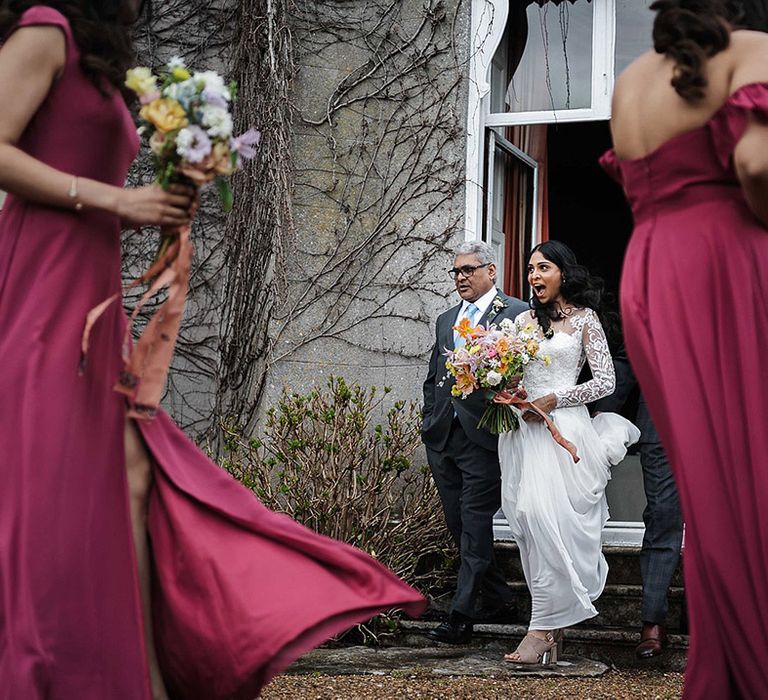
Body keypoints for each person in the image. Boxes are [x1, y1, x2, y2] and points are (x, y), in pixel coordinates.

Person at [0, 3, 425, 698]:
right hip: (41, 294)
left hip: (92, 297)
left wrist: (170, 193)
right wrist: (119, 200)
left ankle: (143, 676)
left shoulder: (106, 63)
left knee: (134, 479)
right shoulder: (46, 28)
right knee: (58, 489)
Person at [600, 0, 768, 695]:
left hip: (653, 272)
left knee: (712, 483)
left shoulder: (633, 78)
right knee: (752, 468)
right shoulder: (754, 48)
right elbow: (757, 167)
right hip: (723, 261)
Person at [494, 241, 640, 664]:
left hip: (565, 430)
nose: (534, 276)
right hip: (524, 433)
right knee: (526, 520)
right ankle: (551, 629)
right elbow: (513, 372)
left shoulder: (584, 321)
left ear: (563, 273)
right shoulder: (521, 321)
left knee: (546, 518)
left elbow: (606, 382)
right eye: (529, 269)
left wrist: (555, 400)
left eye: (543, 268)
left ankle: (542, 628)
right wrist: (508, 391)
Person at [421, 241, 527, 644]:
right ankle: (500, 599)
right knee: (458, 522)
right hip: (442, 436)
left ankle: (461, 616)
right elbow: (434, 376)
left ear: (491, 272)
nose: (461, 278)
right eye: (456, 272)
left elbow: (522, 373)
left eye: (469, 270)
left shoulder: (515, 314)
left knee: (475, 523)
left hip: (485, 437)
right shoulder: (446, 319)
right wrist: (428, 417)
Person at [593, 343, 684, 659]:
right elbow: (629, 355)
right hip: (659, 424)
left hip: (725, 424)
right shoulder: (654, 299)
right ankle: (653, 620)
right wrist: (601, 410)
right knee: (662, 514)